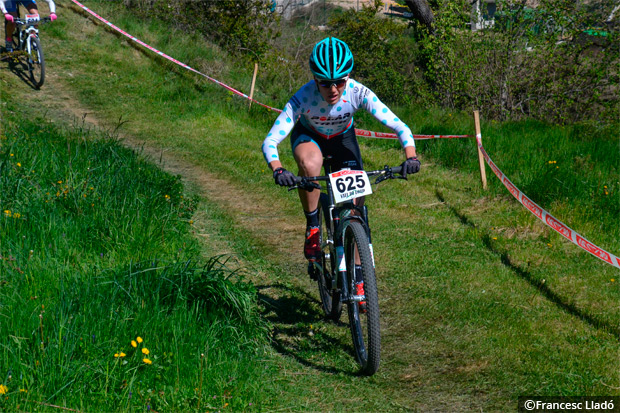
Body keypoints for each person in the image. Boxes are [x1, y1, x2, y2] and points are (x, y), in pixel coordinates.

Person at [261, 37, 420, 299]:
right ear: (315, 79)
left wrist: (411, 156)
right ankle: (313, 224)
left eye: (339, 81)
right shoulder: (302, 97)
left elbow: (399, 125)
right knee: (311, 165)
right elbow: (270, 141)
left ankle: (359, 274)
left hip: (343, 139)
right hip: (310, 137)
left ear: (348, 78)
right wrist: (278, 169)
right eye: (325, 82)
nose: (333, 89)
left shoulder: (359, 92)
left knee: (356, 209)